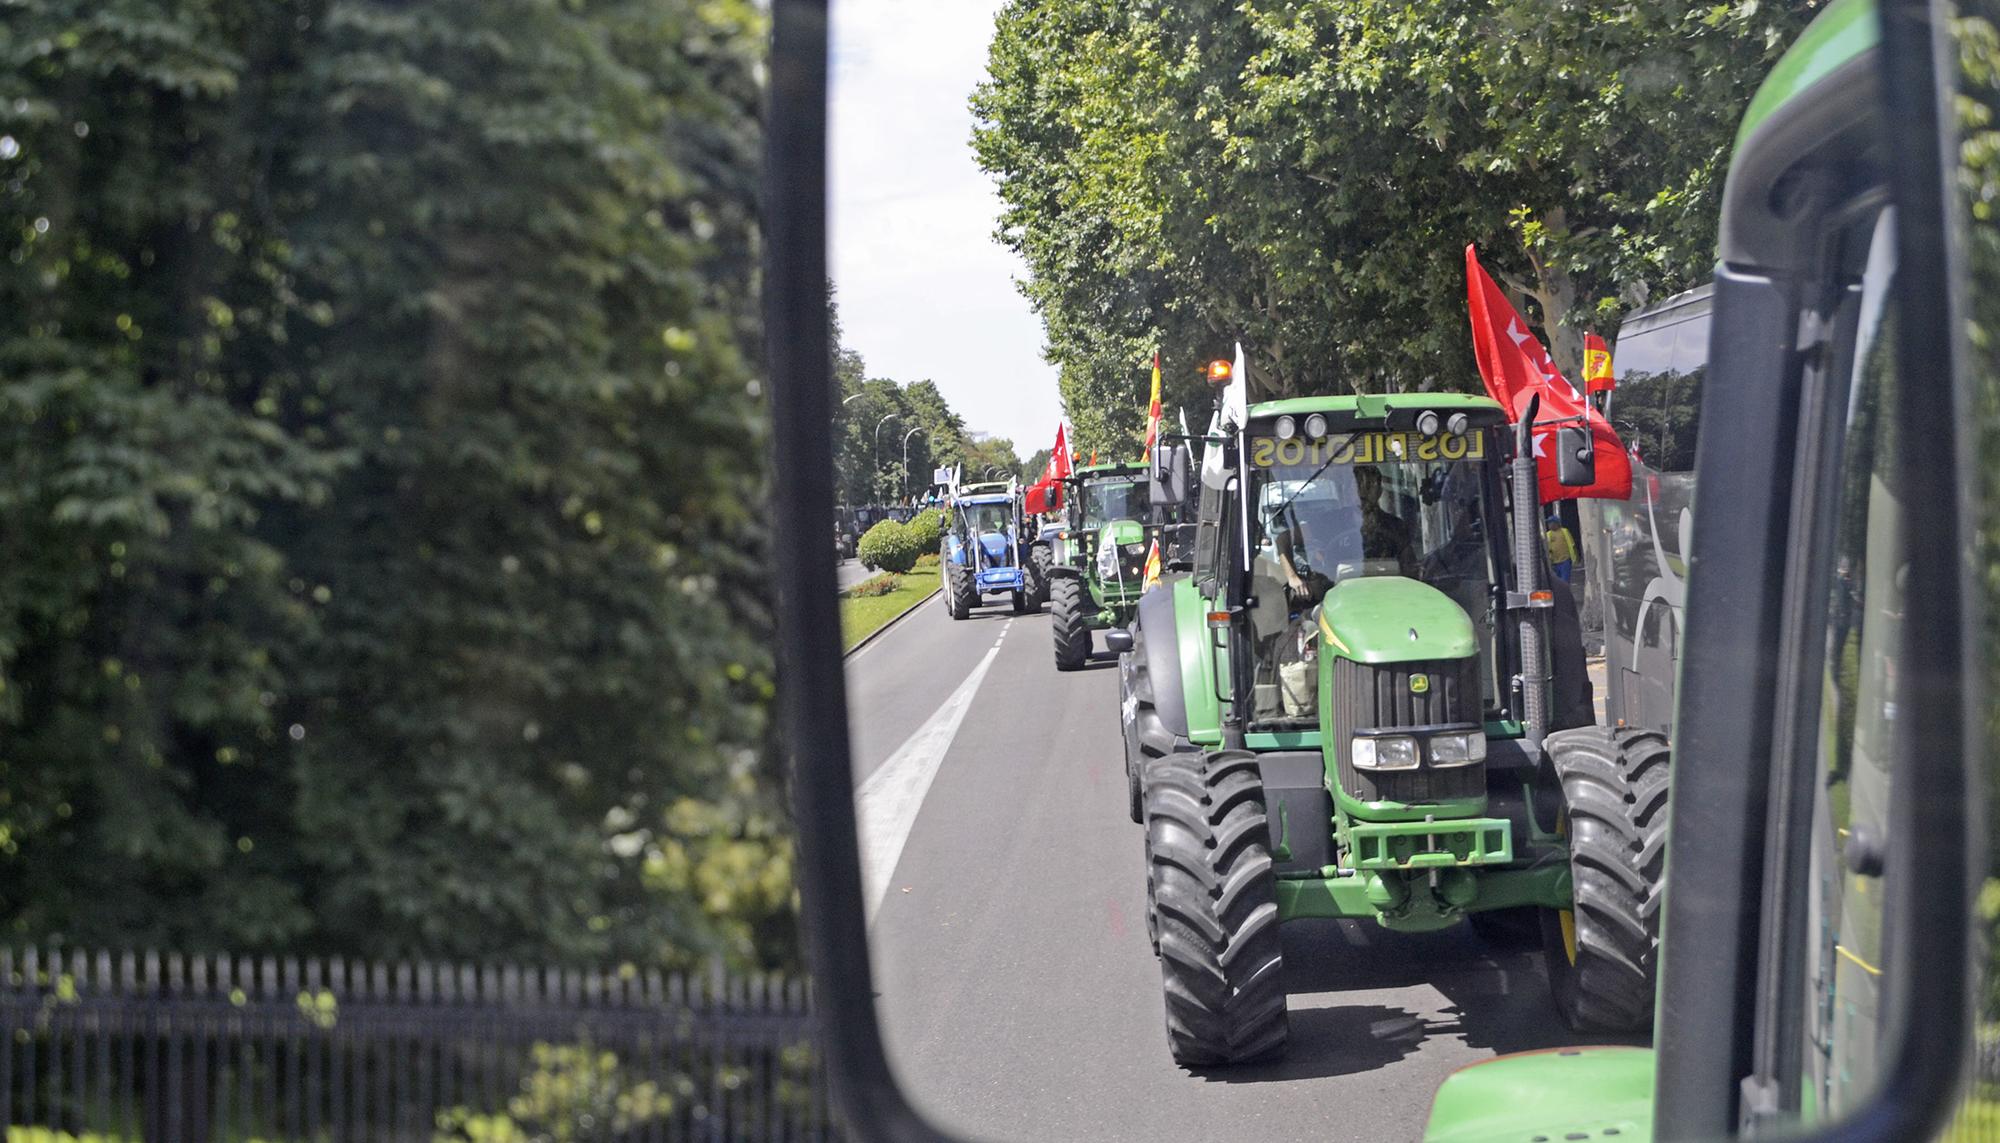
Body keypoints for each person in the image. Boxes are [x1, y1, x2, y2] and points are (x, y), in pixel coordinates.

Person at [1545, 512, 1578, 583]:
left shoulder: (1564, 531)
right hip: (1554, 562)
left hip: (1565, 561)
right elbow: (1546, 547)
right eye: (1548, 523)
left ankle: (1564, 593)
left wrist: (1574, 558)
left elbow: (1572, 545)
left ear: (1557, 523)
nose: (1549, 525)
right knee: (1556, 582)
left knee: (1565, 581)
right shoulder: (1548, 534)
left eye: (1551, 523)